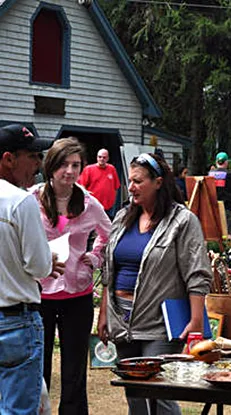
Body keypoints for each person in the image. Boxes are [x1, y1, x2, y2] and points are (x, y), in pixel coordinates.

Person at [97, 153, 212, 415]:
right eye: (130, 181)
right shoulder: (123, 217)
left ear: (158, 183)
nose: (131, 187)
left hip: (159, 322)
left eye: (138, 181)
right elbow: (109, 268)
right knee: (135, 395)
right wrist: (104, 312)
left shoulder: (182, 221)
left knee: (160, 395)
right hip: (122, 321)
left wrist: (195, 321)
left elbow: (196, 273)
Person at [32, 138, 111, 414]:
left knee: (74, 369)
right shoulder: (32, 199)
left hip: (77, 294)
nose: (70, 171)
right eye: (64, 164)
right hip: (39, 293)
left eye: (76, 165)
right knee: (36, 367)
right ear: (51, 166)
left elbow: (107, 235)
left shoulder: (89, 203)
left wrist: (94, 257)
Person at [0, 123, 62, 415]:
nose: (38, 165)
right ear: (8, 159)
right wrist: (49, 257)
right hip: (16, 321)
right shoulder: (20, 201)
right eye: (33, 156)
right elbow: (38, 265)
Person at [78, 148, 120, 219]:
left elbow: (116, 186)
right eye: (99, 157)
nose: (102, 159)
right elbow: (82, 186)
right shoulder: (89, 169)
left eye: (104, 157)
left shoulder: (112, 169)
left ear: (108, 158)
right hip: (94, 206)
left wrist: (112, 201)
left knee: (107, 227)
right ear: (97, 157)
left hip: (108, 207)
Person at [208, 152, 231, 237]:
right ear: (226, 162)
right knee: (228, 232)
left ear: (216, 162)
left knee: (214, 232)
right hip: (227, 207)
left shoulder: (210, 175)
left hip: (213, 207)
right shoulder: (230, 175)